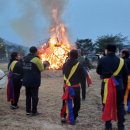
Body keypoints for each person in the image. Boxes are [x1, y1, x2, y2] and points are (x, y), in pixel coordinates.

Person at [96, 44, 128, 130]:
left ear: (107, 50)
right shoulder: (121, 61)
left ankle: (108, 126)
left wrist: (105, 75)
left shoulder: (102, 59)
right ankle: (121, 126)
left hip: (106, 86)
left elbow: (98, 71)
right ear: (115, 50)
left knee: (106, 105)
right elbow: (125, 74)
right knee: (120, 106)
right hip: (118, 86)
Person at [60, 49, 86, 125]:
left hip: (66, 87)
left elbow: (64, 74)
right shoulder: (80, 65)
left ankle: (63, 116)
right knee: (77, 104)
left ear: (69, 55)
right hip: (75, 88)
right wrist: (84, 93)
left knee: (65, 102)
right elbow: (83, 79)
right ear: (77, 55)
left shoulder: (64, 64)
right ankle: (73, 118)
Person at [23, 46, 44, 116]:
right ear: (36, 51)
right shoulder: (36, 59)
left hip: (26, 80)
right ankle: (34, 111)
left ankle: (28, 111)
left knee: (28, 96)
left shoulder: (24, 58)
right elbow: (41, 69)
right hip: (34, 81)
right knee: (34, 97)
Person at [121, 49, 130, 113]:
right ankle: (129, 109)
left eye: (121, 53)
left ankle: (123, 109)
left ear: (124, 54)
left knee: (123, 94)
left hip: (124, 80)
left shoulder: (122, 61)